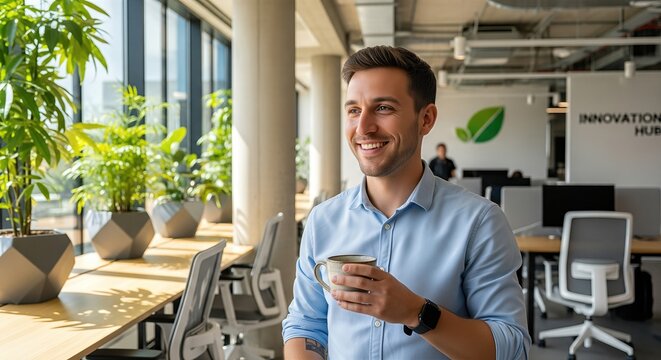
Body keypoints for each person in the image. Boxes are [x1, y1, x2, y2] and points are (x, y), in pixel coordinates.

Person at [282, 46, 530, 359]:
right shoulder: (323, 220)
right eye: (354, 110)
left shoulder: (478, 222)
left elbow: (511, 347)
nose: (363, 127)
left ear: (426, 119)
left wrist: (417, 312)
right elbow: (306, 324)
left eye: (383, 108)